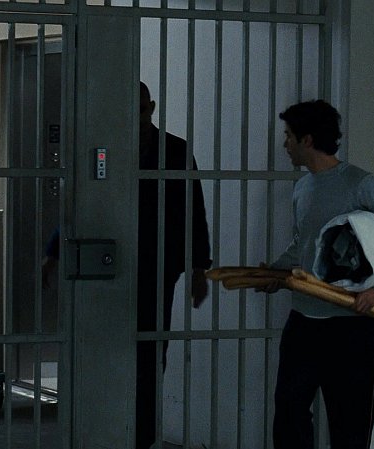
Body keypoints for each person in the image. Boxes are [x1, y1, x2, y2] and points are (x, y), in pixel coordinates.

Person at [260, 100, 374, 449]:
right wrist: (275, 273)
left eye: (289, 136)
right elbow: (303, 244)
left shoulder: (361, 184)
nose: (284, 144)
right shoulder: (303, 187)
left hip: (353, 324)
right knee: (289, 413)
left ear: (307, 140)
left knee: (350, 424)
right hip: (304, 320)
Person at [136, 82, 211, 449]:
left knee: (151, 353)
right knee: (111, 352)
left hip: (157, 267)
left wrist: (199, 268)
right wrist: (57, 249)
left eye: (139, 110)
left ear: (151, 107)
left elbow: (193, 210)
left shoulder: (176, 151)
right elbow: (84, 202)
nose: (134, 118)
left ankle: (143, 436)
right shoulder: (107, 147)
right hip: (114, 267)